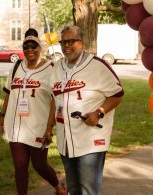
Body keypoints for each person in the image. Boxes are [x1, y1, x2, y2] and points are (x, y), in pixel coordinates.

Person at [49, 26, 124, 194]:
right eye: (63, 42)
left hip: (90, 139)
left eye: (71, 41)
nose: (66, 45)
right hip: (65, 139)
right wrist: (48, 127)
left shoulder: (98, 65)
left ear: (81, 43)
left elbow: (118, 94)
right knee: (73, 188)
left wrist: (99, 112)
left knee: (88, 190)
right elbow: (53, 98)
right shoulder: (58, 67)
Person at [0, 28, 67, 195]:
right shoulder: (16, 67)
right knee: (20, 166)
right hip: (15, 125)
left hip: (38, 125)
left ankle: (58, 187)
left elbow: (55, 99)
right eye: (26, 47)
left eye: (33, 46)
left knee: (39, 165)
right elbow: (9, 92)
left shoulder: (51, 68)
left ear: (40, 47)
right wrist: (2, 115)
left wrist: (49, 127)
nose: (30, 50)